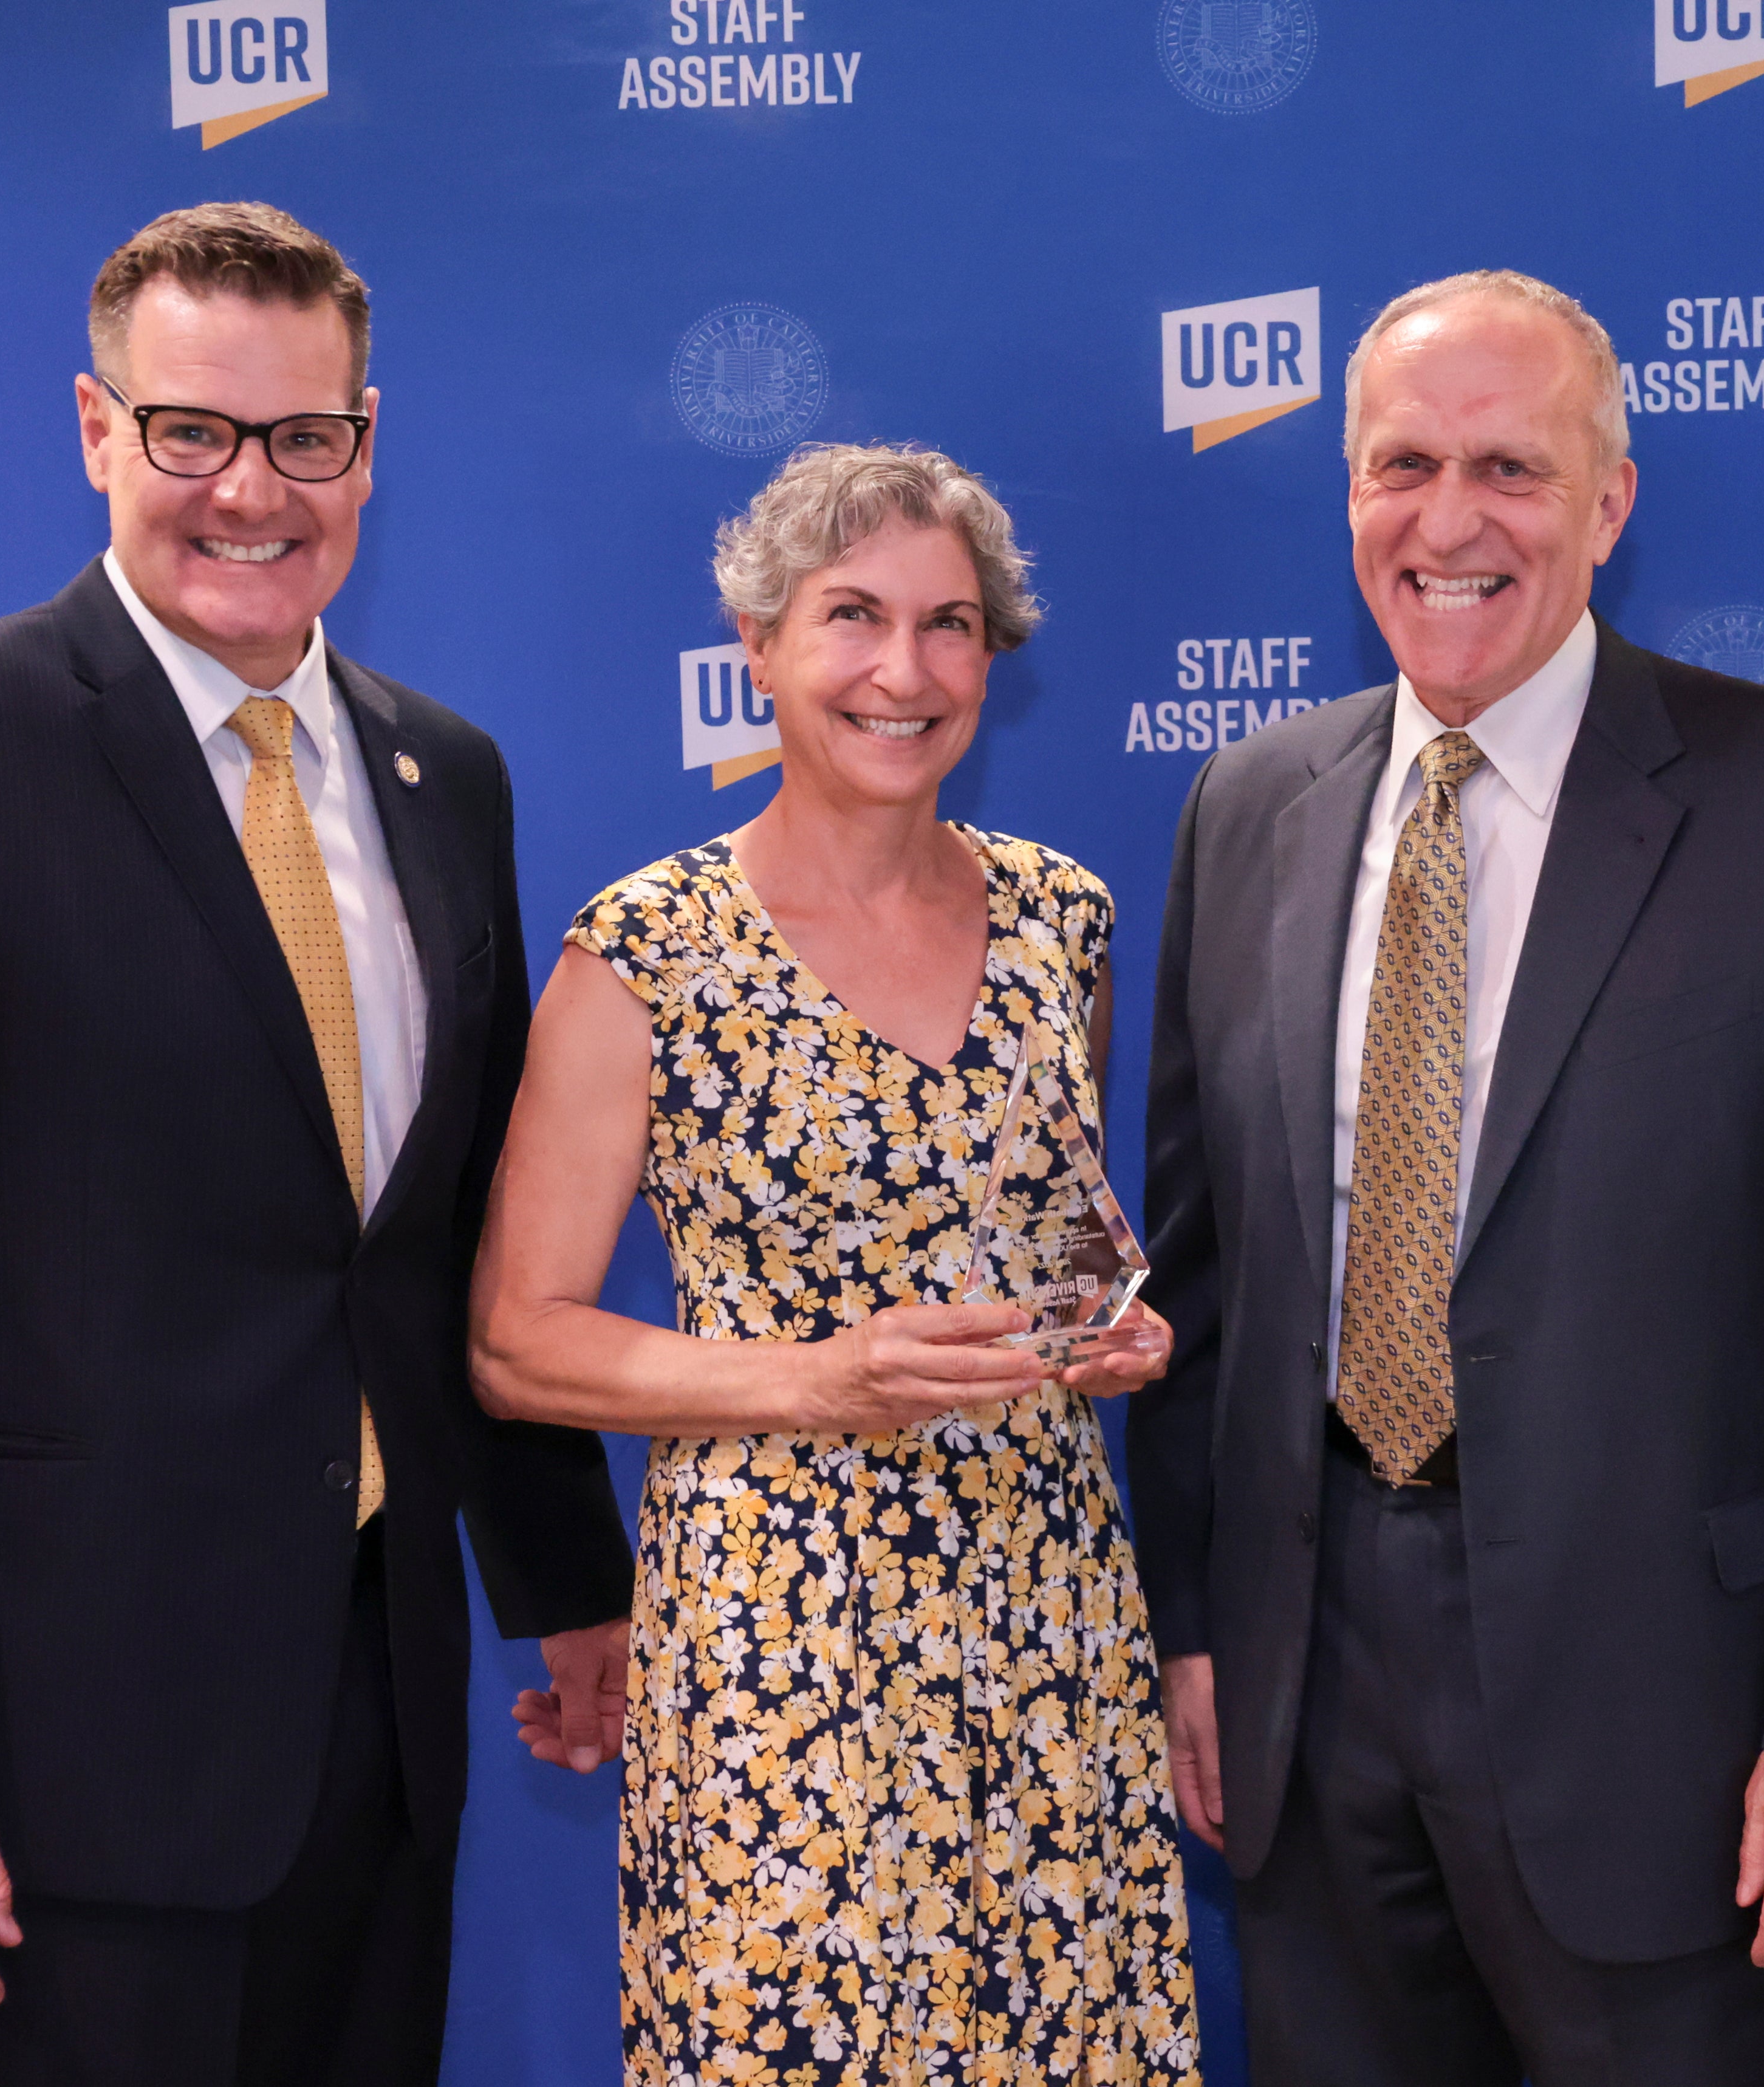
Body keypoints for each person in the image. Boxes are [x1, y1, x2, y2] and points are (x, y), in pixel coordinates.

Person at [0, 202, 636, 2084]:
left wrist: (565, 1586)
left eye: (305, 437)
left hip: (384, 1718)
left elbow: (446, 1236)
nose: (251, 489)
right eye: (191, 432)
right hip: (85, 1749)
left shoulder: (442, 773)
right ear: (94, 427)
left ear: (367, 445)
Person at [1127, 269, 1764, 2086]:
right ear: (1345, 487)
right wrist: (1190, 1630)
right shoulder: (1247, 802)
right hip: (1306, 1683)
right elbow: (1201, 1278)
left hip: (1667, 1713)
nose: (1448, 522)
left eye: (1509, 466)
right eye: (1401, 464)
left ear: (1613, 499)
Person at [468, 442, 1202, 2085]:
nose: (903, 669)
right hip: (779, 1650)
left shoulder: (1059, 918)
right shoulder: (647, 950)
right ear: (761, 644)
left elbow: (1060, 1217)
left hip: (1051, 1624)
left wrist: (1112, 1322)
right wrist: (814, 1378)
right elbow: (520, 1340)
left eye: (950, 626)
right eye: (852, 615)